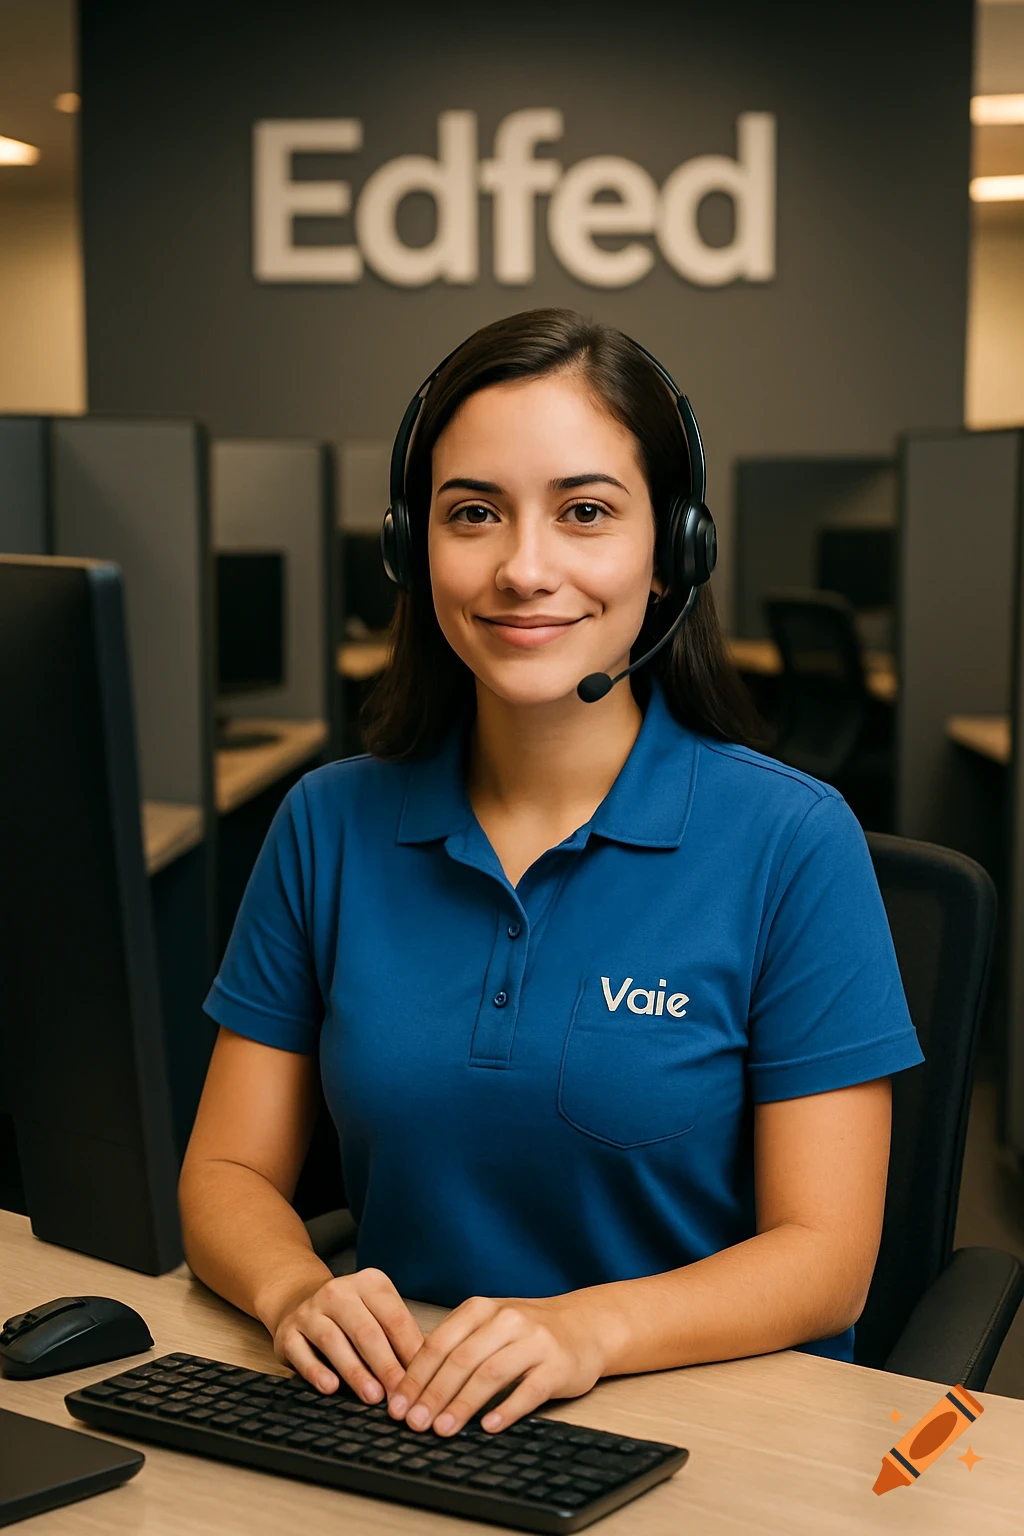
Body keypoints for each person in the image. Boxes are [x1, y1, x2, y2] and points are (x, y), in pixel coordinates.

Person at [179, 308, 923, 1443]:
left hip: (712, 1437)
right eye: (471, 514)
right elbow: (227, 1169)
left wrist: (586, 1332)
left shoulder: (791, 842)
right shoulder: (327, 823)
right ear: (408, 545)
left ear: (675, 552)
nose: (524, 569)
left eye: (584, 513)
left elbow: (825, 1263)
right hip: (412, 1420)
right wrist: (295, 1291)